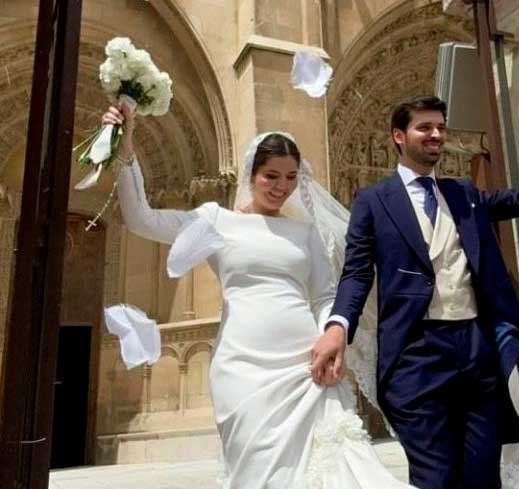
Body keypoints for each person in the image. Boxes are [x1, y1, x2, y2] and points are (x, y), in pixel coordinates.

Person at [102, 101, 416, 489]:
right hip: (241, 369)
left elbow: (324, 296)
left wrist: (331, 339)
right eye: (271, 176)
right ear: (251, 174)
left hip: (306, 367)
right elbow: (141, 219)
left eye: (289, 177)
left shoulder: (305, 233)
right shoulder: (216, 221)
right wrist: (126, 144)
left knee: (338, 468)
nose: (281, 187)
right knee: (257, 473)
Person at [315, 95, 519, 489]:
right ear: (399, 136)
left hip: (475, 350)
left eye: (441, 127)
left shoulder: (464, 193)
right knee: (435, 478)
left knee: (482, 476)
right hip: (415, 354)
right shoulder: (373, 201)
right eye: (425, 128)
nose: (436, 135)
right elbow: (356, 273)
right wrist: (338, 325)